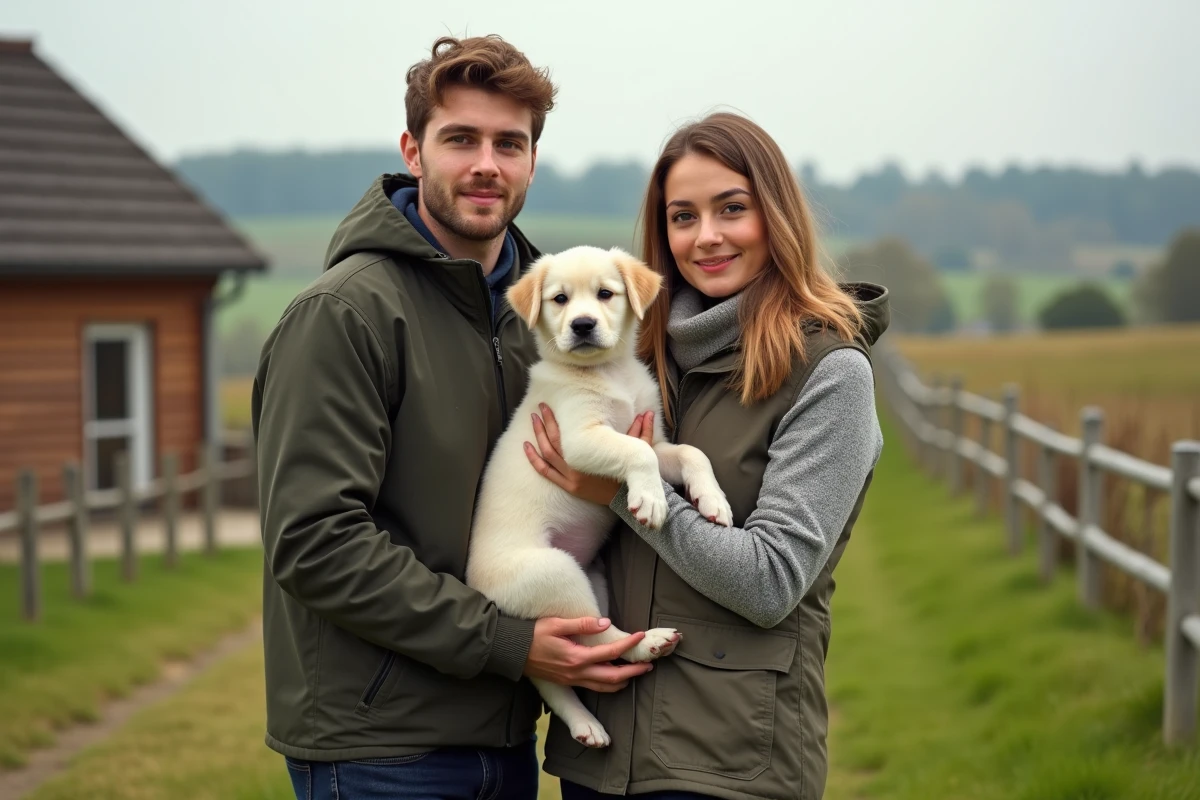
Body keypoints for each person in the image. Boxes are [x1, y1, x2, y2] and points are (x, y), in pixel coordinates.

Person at [251, 35, 654, 800]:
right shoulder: (344, 316)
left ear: (533, 160)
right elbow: (314, 543)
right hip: (381, 747)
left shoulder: (541, 315)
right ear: (413, 150)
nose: (486, 165)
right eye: (460, 138)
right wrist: (509, 642)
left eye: (511, 143)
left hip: (504, 732)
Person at [526, 112, 891, 800]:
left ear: (776, 215)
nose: (707, 237)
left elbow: (770, 581)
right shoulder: (632, 357)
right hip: (601, 758)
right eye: (682, 216)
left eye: (732, 208)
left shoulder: (830, 373)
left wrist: (620, 495)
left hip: (732, 764)